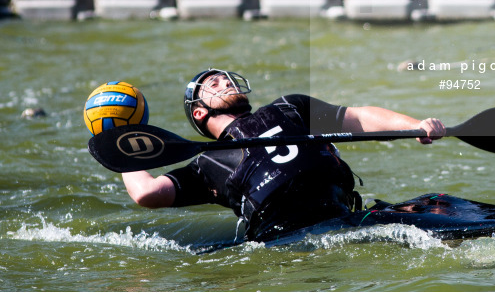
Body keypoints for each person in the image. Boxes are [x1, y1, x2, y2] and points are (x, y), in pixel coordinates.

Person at [119, 68, 445, 242]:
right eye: (212, 83)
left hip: (344, 221)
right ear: (200, 114)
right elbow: (146, 193)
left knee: (439, 205)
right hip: (284, 243)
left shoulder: (290, 107)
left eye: (225, 77)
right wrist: (120, 139)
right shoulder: (206, 165)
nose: (225, 81)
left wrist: (413, 125)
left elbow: (357, 117)